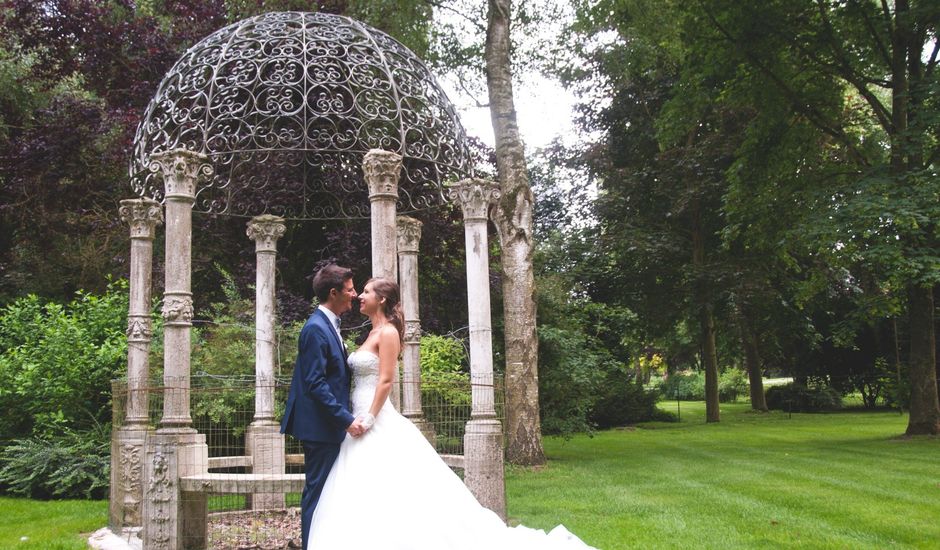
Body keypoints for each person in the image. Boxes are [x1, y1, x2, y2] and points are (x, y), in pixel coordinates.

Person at [307, 277, 596, 550]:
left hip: (373, 417)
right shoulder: (369, 332)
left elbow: (385, 380)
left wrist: (369, 417)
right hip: (355, 417)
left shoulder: (389, 332)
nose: (360, 296)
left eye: (367, 292)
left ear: (381, 299)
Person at [280, 264, 366, 550]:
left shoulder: (329, 324)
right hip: (320, 427)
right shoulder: (316, 328)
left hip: (327, 425)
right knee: (317, 492)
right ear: (334, 292)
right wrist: (344, 419)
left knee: (329, 492)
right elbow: (315, 383)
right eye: (351, 289)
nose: (355, 294)